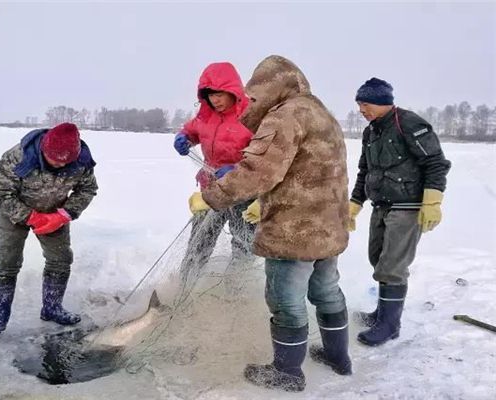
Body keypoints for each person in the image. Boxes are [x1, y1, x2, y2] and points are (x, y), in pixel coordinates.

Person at [190, 55, 351, 392]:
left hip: (295, 230)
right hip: (328, 226)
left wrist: (212, 196)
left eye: (255, 96)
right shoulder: (321, 112)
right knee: (326, 291)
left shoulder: (285, 116)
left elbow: (258, 172)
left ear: (270, 89)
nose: (252, 103)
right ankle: (339, 357)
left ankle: (287, 372)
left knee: (286, 300)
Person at [348, 78, 451, 346]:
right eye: (359, 103)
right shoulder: (371, 132)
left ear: (383, 102)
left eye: (365, 103)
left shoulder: (408, 123)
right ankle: (382, 313)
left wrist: (432, 201)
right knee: (378, 259)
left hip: (407, 206)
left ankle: (390, 326)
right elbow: (364, 170)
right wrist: (355, 203)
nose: (361, 109)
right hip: (381, 205)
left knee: (393, 266)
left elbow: (436, 163)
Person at [0, 122, 98, 338]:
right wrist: (31, 216)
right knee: (6, 262)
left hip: (54, 214)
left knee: (61, 259)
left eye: (65, 162)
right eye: (54, 160)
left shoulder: (82, 162)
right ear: (45, 148)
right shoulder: (18, 156)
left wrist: (63, 215)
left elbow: (88, 189)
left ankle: (52, 308)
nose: (59, 165)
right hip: (14, 213)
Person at [173, 62, 257, 288]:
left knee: (243, 247)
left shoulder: (252, 116)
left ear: (233, 91)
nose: (215, 100)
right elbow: (192, 130)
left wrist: (236, 171)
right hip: (211, 190)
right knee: (199, 241)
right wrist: (185, 138)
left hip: (243, 194)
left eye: (220, 94)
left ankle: (236, 295)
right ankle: (185, 289)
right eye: (210, 95)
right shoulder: (206, 115)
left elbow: (265, 159)